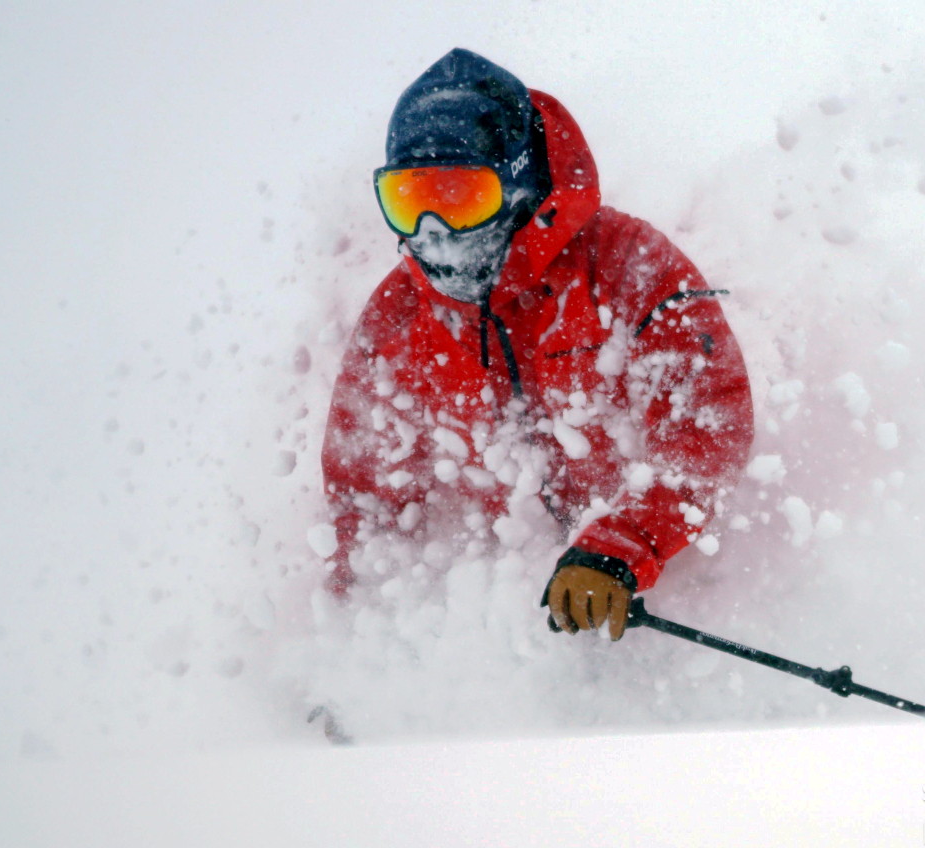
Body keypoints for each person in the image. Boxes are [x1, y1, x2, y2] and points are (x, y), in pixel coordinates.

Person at [321, 48, 753, 640]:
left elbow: (708, 426)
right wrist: (352, 657)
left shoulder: (629, 265)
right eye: (409, 201)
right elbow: (366, 511)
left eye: (459, 197)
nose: (434, 233)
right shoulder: (395, 320)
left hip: (659, 601)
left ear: (518, 182)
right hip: (517, 633)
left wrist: (619, 548)